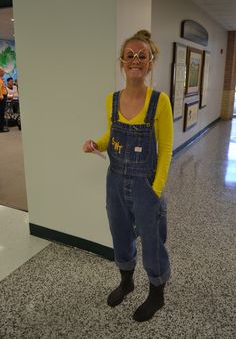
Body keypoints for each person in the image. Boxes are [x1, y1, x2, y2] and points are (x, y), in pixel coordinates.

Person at [83, 30, 173, 322]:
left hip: (146, 183)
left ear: (150, 63)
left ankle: (156, 294)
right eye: (130, 55)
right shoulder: (112, 99)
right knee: (120, 234)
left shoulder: (160, 102)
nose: (136, 60)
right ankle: (127, 280)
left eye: (142, 56)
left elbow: (167, 148)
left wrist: (155, 189)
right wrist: (97, 143)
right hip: (115, 181)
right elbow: (114, 135)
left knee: (152, 240)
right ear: (122, 61)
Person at [0, 67, 9, 132]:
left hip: (3, 97)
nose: (4, 73)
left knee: (1, 113)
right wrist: (1, 95)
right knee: (1, 113)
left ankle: (1, 127)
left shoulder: (1, 79)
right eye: (3, 72)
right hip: (1, 98)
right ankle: (1, 128)